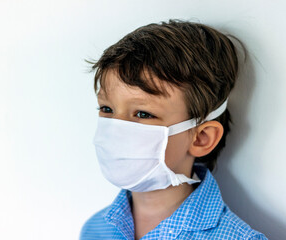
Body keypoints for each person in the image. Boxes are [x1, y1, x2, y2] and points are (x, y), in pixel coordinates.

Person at [80, 19, 267, 240]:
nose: (116, 128)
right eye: (107, 108)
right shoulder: (95, 229)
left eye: (143, 113)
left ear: (202, 138)